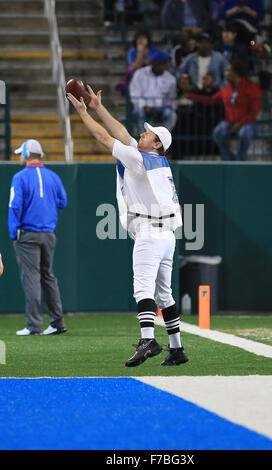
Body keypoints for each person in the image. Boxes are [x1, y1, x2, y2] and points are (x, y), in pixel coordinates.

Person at [67, 85, 188, 367]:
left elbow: (104, 137)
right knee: (164, 293)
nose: (142, 133)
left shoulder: (139, 159)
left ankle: (148, 340)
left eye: (149, 133)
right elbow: (121, 133)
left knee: (142, 288)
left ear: (157, 143)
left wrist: (84, 113)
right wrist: (99, 107)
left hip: (149, 231)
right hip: (167, 235)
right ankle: (177, 349)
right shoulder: (152, 158)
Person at [8, 139, 68, 336]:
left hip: (28, 234)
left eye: (20, 154)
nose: (19, 157)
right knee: (48, 276)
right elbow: (63, 202)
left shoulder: (20, 176)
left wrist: (13, 231)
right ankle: (57, 323)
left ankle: (34, 326)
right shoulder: (53, 176)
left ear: (26, 154)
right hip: (49, 234)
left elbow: (15, 206)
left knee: (31, 278)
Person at [187, 60, 261, 160]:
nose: (225, 73)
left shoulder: (252, 88)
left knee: (244, 133)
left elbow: (254, 112)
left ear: (235, 73)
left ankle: (240, 159)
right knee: (218, 132)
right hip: (230, 122)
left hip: (248, 123)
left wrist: (240, 123)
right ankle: (228, 158)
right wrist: (191, 96)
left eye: (228, 71)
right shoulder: (227, 89)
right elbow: (211, 100)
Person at [129, 50, 177, 134]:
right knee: (139, 113)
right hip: (143, 107)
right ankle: (144, 139)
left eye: (164, 63)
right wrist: (145, 106)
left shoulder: (170, 78)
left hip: (161, 108)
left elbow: (171, 99)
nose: (163, 66)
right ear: (153, 63)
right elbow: (134, 94)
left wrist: (165, 106)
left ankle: (161, 140)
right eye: (160, 63)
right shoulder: (140, 74)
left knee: (171, 115)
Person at [115, 30, 162, 97]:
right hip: (137, 74)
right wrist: (140, 52)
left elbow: (157, 66)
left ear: (148, 39)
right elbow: (136, 67)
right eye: (139, 38)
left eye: (143, 38)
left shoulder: (153, 51)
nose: (141, 40)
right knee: (135, 74)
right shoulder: (132, 51)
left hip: (151, 74)